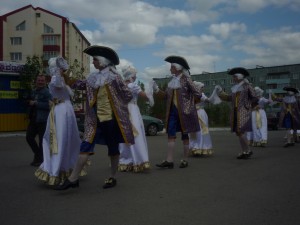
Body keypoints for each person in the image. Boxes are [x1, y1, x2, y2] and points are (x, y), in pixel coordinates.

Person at [54, 45, 134, 190]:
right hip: (93, 120)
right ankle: (73, 179)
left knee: (113, 148)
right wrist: (65, 73)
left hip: (111, 120)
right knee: (85, 146)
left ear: (103, 61)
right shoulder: (93, 77)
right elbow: (79, 84)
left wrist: (118, 105)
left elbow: (127, 95)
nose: (93, 63)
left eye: (95, 60)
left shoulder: (115, 77)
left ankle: (112, 177)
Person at [34, 57, 81, 185]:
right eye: (59, 67)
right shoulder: (56, 79)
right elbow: (58, 85)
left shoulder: (61, 79)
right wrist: (61, 75)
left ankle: (66, 168)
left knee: (68, 139)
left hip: (64, 110)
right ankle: (58, 169)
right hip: (60, 111)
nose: (62, 69)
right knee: (58, 139)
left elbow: (67, 88)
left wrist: (66, 77)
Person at [154, 55, 202, 169]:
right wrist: (156, 89)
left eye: (172, 67)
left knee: (185, 135)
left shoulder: (187, 80)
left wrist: (190, 105)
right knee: (171, 134)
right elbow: (166, 96)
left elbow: (198, 94)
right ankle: (169, 160)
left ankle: (185, 159)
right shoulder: (172, 82)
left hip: (185, 113)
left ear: (178, 68)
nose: (170, 69)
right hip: (172, 112)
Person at [215, 67, 258, 159]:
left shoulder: (247, 86)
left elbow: (255, 98)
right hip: (235, 112)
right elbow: (229, 98)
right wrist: (221, 92)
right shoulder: (235, 88)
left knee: (240, 131)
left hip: (243, 112)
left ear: (239, 77)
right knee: (239, 133)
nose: (233, 78)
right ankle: (244, 151)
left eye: (234, 77)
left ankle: (249, 150)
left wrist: (248, 107)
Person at [118, 66, 153, 172]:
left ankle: (125, 160)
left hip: (123, 110)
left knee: (125, 135)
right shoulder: (132, 85)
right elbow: (146, 96)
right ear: (131, 75)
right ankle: (138, 159)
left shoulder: (120, 85)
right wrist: (150, 87)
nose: (136, 76)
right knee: (136, 134)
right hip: (132, 110)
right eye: (135, 75)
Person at [26, 74, 52, 167]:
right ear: (36, 81)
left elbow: (50, 105)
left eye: (42, 81)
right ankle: (38, 155)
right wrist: (28, 102)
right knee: (29, 137)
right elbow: (29, 101)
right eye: (39, 80)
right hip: (33, 119)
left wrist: (37, 103)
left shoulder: (47, 92)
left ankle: (40, 159)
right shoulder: (33, 91)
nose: (40, 82)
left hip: (43, 120)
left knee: (42, 141)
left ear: (45, 82)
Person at [189, 81, 213, 156]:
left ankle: (198, 147)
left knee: (199, 131)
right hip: (199, 113)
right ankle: (197, 147)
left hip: (197, 113)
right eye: (202, 87)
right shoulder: (200, 95)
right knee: (199, 131)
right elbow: (208, 100)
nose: (203, 89)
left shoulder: (193, 95)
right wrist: (214, 95)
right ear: (198, 88)